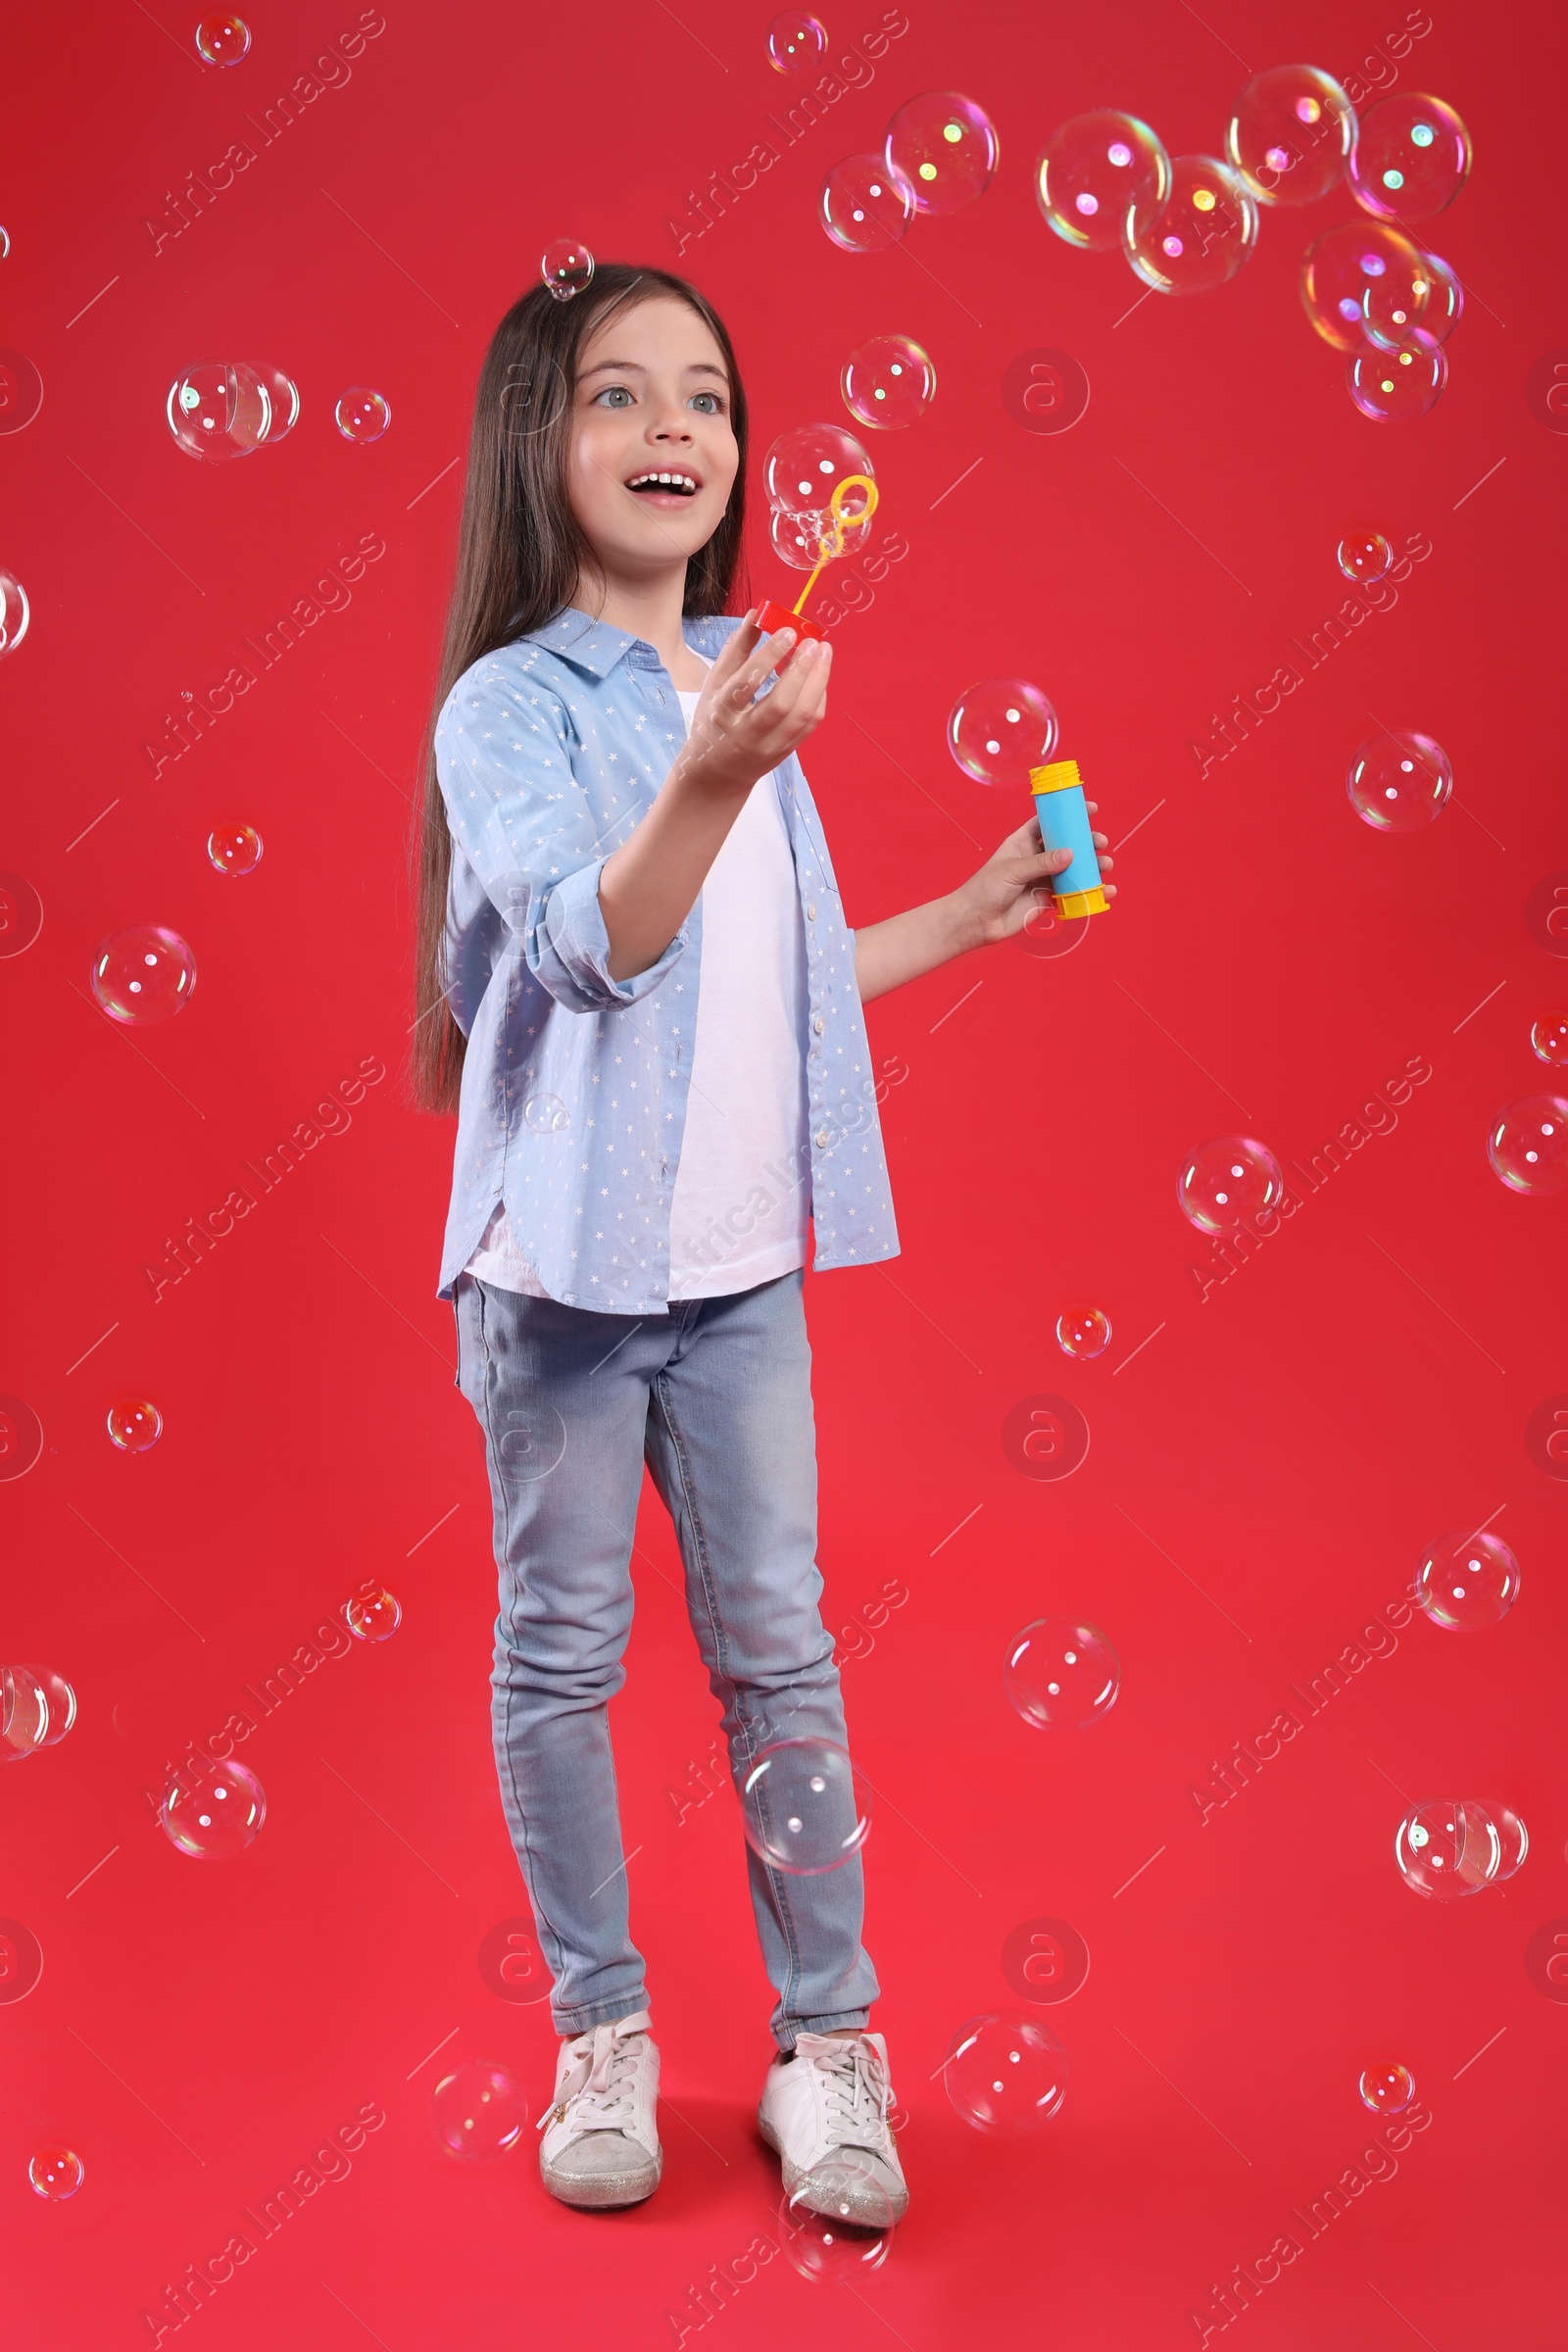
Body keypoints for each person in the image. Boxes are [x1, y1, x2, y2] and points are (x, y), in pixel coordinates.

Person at [410, 263, 1114, 2220]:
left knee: (780, 1660)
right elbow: (587, 946)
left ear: (737, 455)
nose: (669, 431)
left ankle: (827, 2049)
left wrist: (956, 924)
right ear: (533, 448)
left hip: (735, 1284)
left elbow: (768, 990)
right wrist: (715, 770)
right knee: (559, 1658)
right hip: (553, 1282)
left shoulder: (738, 672)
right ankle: (601, 2037)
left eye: (702, 399)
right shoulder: (511, 708)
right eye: (617, 396)